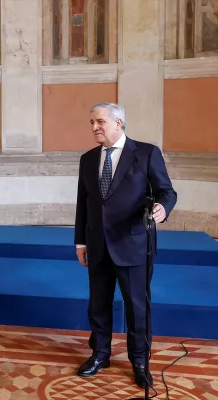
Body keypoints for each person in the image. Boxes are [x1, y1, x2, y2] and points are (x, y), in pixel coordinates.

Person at [74, 102, 177, 388]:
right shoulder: (87, 159)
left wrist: (162, 208)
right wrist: (80, 241)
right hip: (97, 245)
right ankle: (100, 353)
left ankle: (140, 361)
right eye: (92, 122)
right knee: (98, 304)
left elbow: (167, 191)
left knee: (137, 307)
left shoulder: (145, 153)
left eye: (100, 121)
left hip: (134, 244)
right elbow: (84, 203)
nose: (94, 127)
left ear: (118, 123)